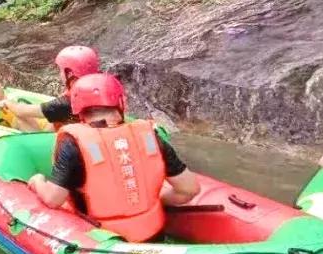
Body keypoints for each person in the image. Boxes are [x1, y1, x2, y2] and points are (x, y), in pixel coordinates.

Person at [27, 73, 199, 243]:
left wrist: (37, 181)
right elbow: (189, 189)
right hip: (153, 236)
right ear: (121, 103)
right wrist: (151, 199)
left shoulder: (72, 143)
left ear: (77, 108)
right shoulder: (150, 137)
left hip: (101, 241)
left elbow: (53, 199)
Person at [0, 45, 101, 130]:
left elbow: (20, 110)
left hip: (65, 142)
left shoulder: (67, 103)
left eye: (60, 70)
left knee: (17, 116)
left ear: (70, 74)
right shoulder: (99, 89)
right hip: (87, 134)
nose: (59, 74)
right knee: (53, 121)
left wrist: (7, 103)